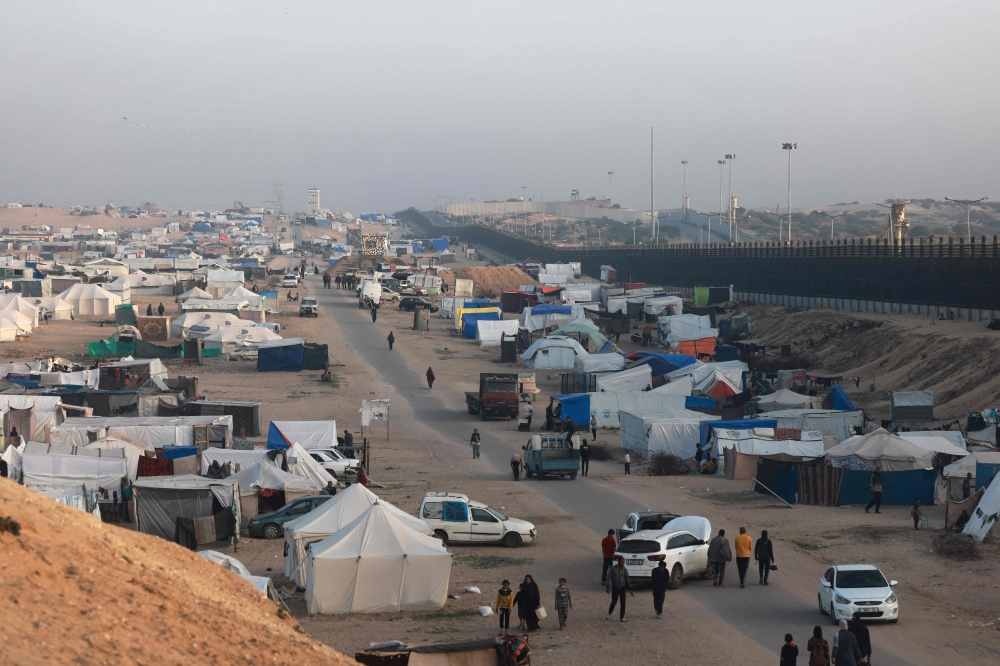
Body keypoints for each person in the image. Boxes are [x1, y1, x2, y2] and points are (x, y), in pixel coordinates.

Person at [606, 556, 633, 622]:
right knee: (614, 601)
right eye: (621, 562)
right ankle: (609, 613)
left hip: (622, 588)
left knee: (623, 603)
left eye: (623, 562)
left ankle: (622, 617)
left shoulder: (624, 569)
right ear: (618, 562)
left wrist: (630, 588)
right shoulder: (613, 569)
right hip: (615, 587)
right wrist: (608, 586)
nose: (623, 563)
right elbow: (608, 577)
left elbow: (627, 579)